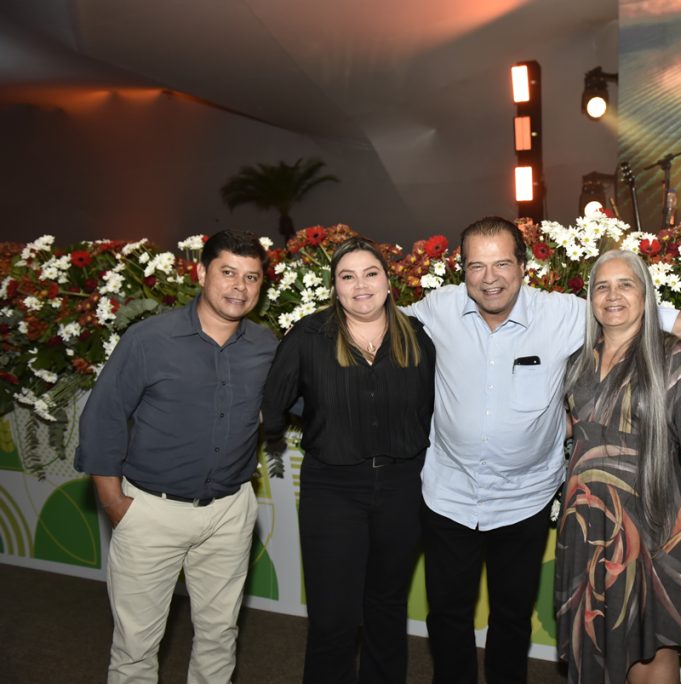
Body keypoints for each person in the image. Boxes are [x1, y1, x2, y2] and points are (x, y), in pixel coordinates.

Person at [402, 216, 681, 684]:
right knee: (448, 616)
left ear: (523, 266)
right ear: (462, 270)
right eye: (476, 266)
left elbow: (650, 315)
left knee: (514, 618)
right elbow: (379, 321)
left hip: (527, 500)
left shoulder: (564, 314)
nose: (489, 278)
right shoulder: (440, 308)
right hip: (450, 495)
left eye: (502, 264)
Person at [74, 229, 278, 683]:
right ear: (201, 273)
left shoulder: (266, 347)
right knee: (135, 647)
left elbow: (298, 399)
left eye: (251, 277)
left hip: (230, 512)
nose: (239, 287)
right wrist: (114, 503)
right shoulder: (149, 339)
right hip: (150, 512)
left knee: (220, 635)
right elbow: (103, 417)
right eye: (228, 272)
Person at [261, 237, 435, 683]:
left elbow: (430, 409)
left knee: (387, 608)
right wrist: (321, 416)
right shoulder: (309, 336)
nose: (361, 285)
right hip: (333, 490)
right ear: (335, 288)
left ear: (388, 282)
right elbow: (273, 405)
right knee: (333, 616)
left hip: (402, 488)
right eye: (348, 276)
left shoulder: (417, 336)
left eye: (371, 273)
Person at [555, 251, 681, 684]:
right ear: (590, 298)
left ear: (646, 294)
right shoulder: (577, 362)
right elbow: (576, 430)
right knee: (592, 637)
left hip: (651, 520)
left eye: (626, 284)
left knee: (650, 644)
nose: (613, 295)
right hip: (586, 521)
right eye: (602, 286)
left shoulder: (676, 360)